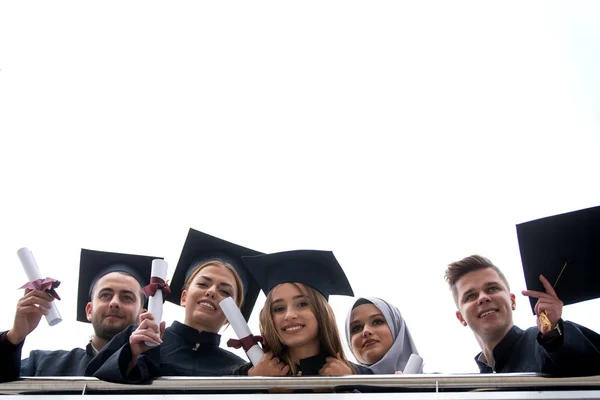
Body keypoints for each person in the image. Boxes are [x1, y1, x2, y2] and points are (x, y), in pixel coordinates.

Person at [89, 228, 262, 382]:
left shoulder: (240, 370)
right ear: (184, 296)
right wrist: (132, 357)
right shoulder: (138, 340)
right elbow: (92, 380)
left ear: (232, 315)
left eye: (225, 292)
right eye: (203, 284)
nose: (211, 292)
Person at [0, 249, 157, 382]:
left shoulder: (156, 371)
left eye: (127, 297)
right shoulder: (43, 365)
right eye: (105, 295)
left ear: (141, 315)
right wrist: (13, 338)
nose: (114, 303)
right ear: (89, 311)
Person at [445, 254, 600, 376]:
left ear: (512, 301)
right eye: (470, 296)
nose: (483, 297)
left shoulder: (542, 342)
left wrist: (554, 334)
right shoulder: (475, 389)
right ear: (461, 318)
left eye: (492, 288)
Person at [236, 250, 371, 376]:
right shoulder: (246, 376)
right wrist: (255, 386)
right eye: (278, 308)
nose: (289, 315)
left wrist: (348, 387)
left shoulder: (360, 377)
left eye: (302, 304)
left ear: (321, 312)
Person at [345, 297, 420, 374]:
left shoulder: (430, 382)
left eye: (377, 322)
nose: (366, 331)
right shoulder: (340, 383)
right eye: (356, 328)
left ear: (396, 328)